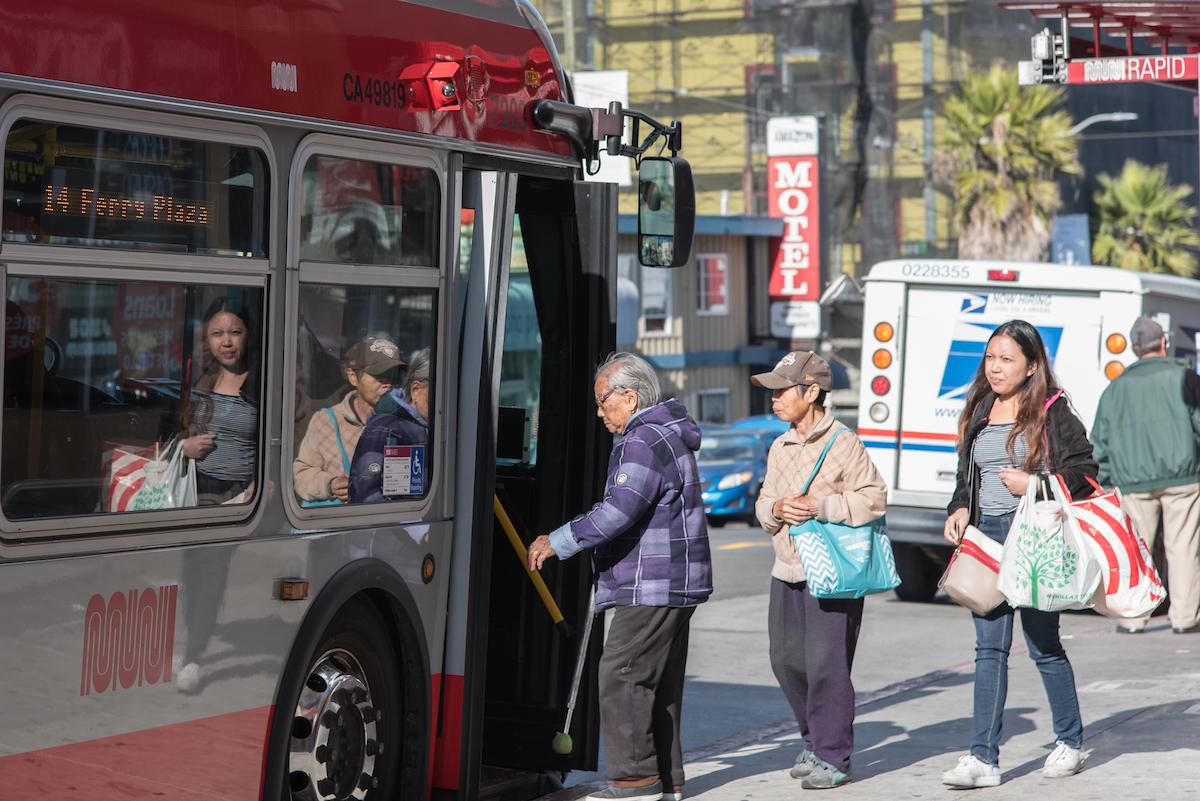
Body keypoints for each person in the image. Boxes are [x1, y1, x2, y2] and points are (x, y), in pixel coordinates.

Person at [527, 352, 712, 801]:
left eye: (603, 400)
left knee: (622, 674)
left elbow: (618, 511)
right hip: (675, 581)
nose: (598, 411)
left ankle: (635, 780)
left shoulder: (642, 440)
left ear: (629, 397)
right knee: (657, 680)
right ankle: (667, 780)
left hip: (649, 582)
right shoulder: (668, 434)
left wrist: (558, 540)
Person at [941, 319, 1097, 788]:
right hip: (986, 537)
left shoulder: (1052, 410)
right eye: (990, 357)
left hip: (1034, 538)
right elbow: (966, 472)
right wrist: (960, 506)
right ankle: (982, 760)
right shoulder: (981, 406)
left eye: (1007, 359)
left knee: (1043, 645)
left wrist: (1035, 484)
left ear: (1032, 366)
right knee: (988, 649)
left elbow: (1085, 472)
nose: (995, 367)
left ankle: (1069, 741)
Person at [752, 351, 886, 791]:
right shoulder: (780, 444)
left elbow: (874, 498)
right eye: (771, 390)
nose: (773, 398)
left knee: (827, 665)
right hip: (787, 567)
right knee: (786, 661)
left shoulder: (844, 441)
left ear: (812, 392)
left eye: (782, 389)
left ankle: (834, 755)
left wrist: (819, 506)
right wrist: (776, 508)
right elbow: (763, 504)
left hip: (834, 571)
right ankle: (813, 740)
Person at [1091, 315, 1200, 634]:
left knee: (1136, 549)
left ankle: (1133, 618)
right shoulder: (1184, 377)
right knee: (1184, 547)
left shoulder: (1115, 388)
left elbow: (1101, 440)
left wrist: (1108, 481)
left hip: (1133, 482)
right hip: (1183, 479)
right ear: (1163, 343)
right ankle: (1184, 617)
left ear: (1135, 349)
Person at [293, 337, 405, 504]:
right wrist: (330, 484)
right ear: (353, 377)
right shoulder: (326, 421)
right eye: (379, 376)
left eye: (393, 376)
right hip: (337, 525)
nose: (388, 383)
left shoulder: (406, 424)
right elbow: (301, 474)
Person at [180, 298, 259, 505]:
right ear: (207, 339)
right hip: (197, 489)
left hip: (243, 495)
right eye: (217, 334)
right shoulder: (200, 380)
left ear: (248, 335)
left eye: (235, 332)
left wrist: (258, 486)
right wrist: (183, 447)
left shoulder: (261, 384)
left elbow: (280, 443)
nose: (226, 343)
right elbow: (176, 430)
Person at [349, 347, 431, 503]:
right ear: (415, 390)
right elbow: (368, 496)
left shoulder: (427, 425)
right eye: (438, 395)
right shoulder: (389, 428)